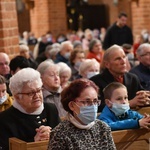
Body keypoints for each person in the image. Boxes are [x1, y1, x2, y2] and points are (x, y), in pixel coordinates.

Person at [0, 68, 60, 150]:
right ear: (17, 97)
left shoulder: (51, 109)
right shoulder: (4, 119)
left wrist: (52, 135)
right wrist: (34, 142)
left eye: (39, 90)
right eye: (31, 93)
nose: (37, 96)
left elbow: (63, 138)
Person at [47, 78, 116, 150]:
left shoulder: (103, 127)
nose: (93, 106)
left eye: (95, 101)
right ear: (72, 105)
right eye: (87, 101)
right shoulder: (60, 134)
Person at [90, 44, 150, 112]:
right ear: (107, 64)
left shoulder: (133, 78)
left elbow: (142, 97)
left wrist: (145, 97)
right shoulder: (95, 82)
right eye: (118, 59)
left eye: (124, 57)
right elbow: (96, 107)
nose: (123, 61)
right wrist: (128, 104)